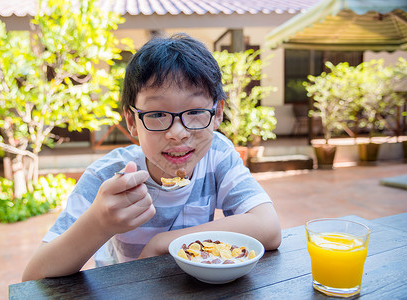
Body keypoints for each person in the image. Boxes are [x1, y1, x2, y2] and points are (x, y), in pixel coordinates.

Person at [22, 33, 281, 281]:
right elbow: (34, 278)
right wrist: (99, 223)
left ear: (217, 114)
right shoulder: (109, 177)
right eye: (157, 115)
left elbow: (268, 227)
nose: (178, 133)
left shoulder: (217, 154)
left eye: (195, 112)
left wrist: (161, 244)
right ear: (132, 122)